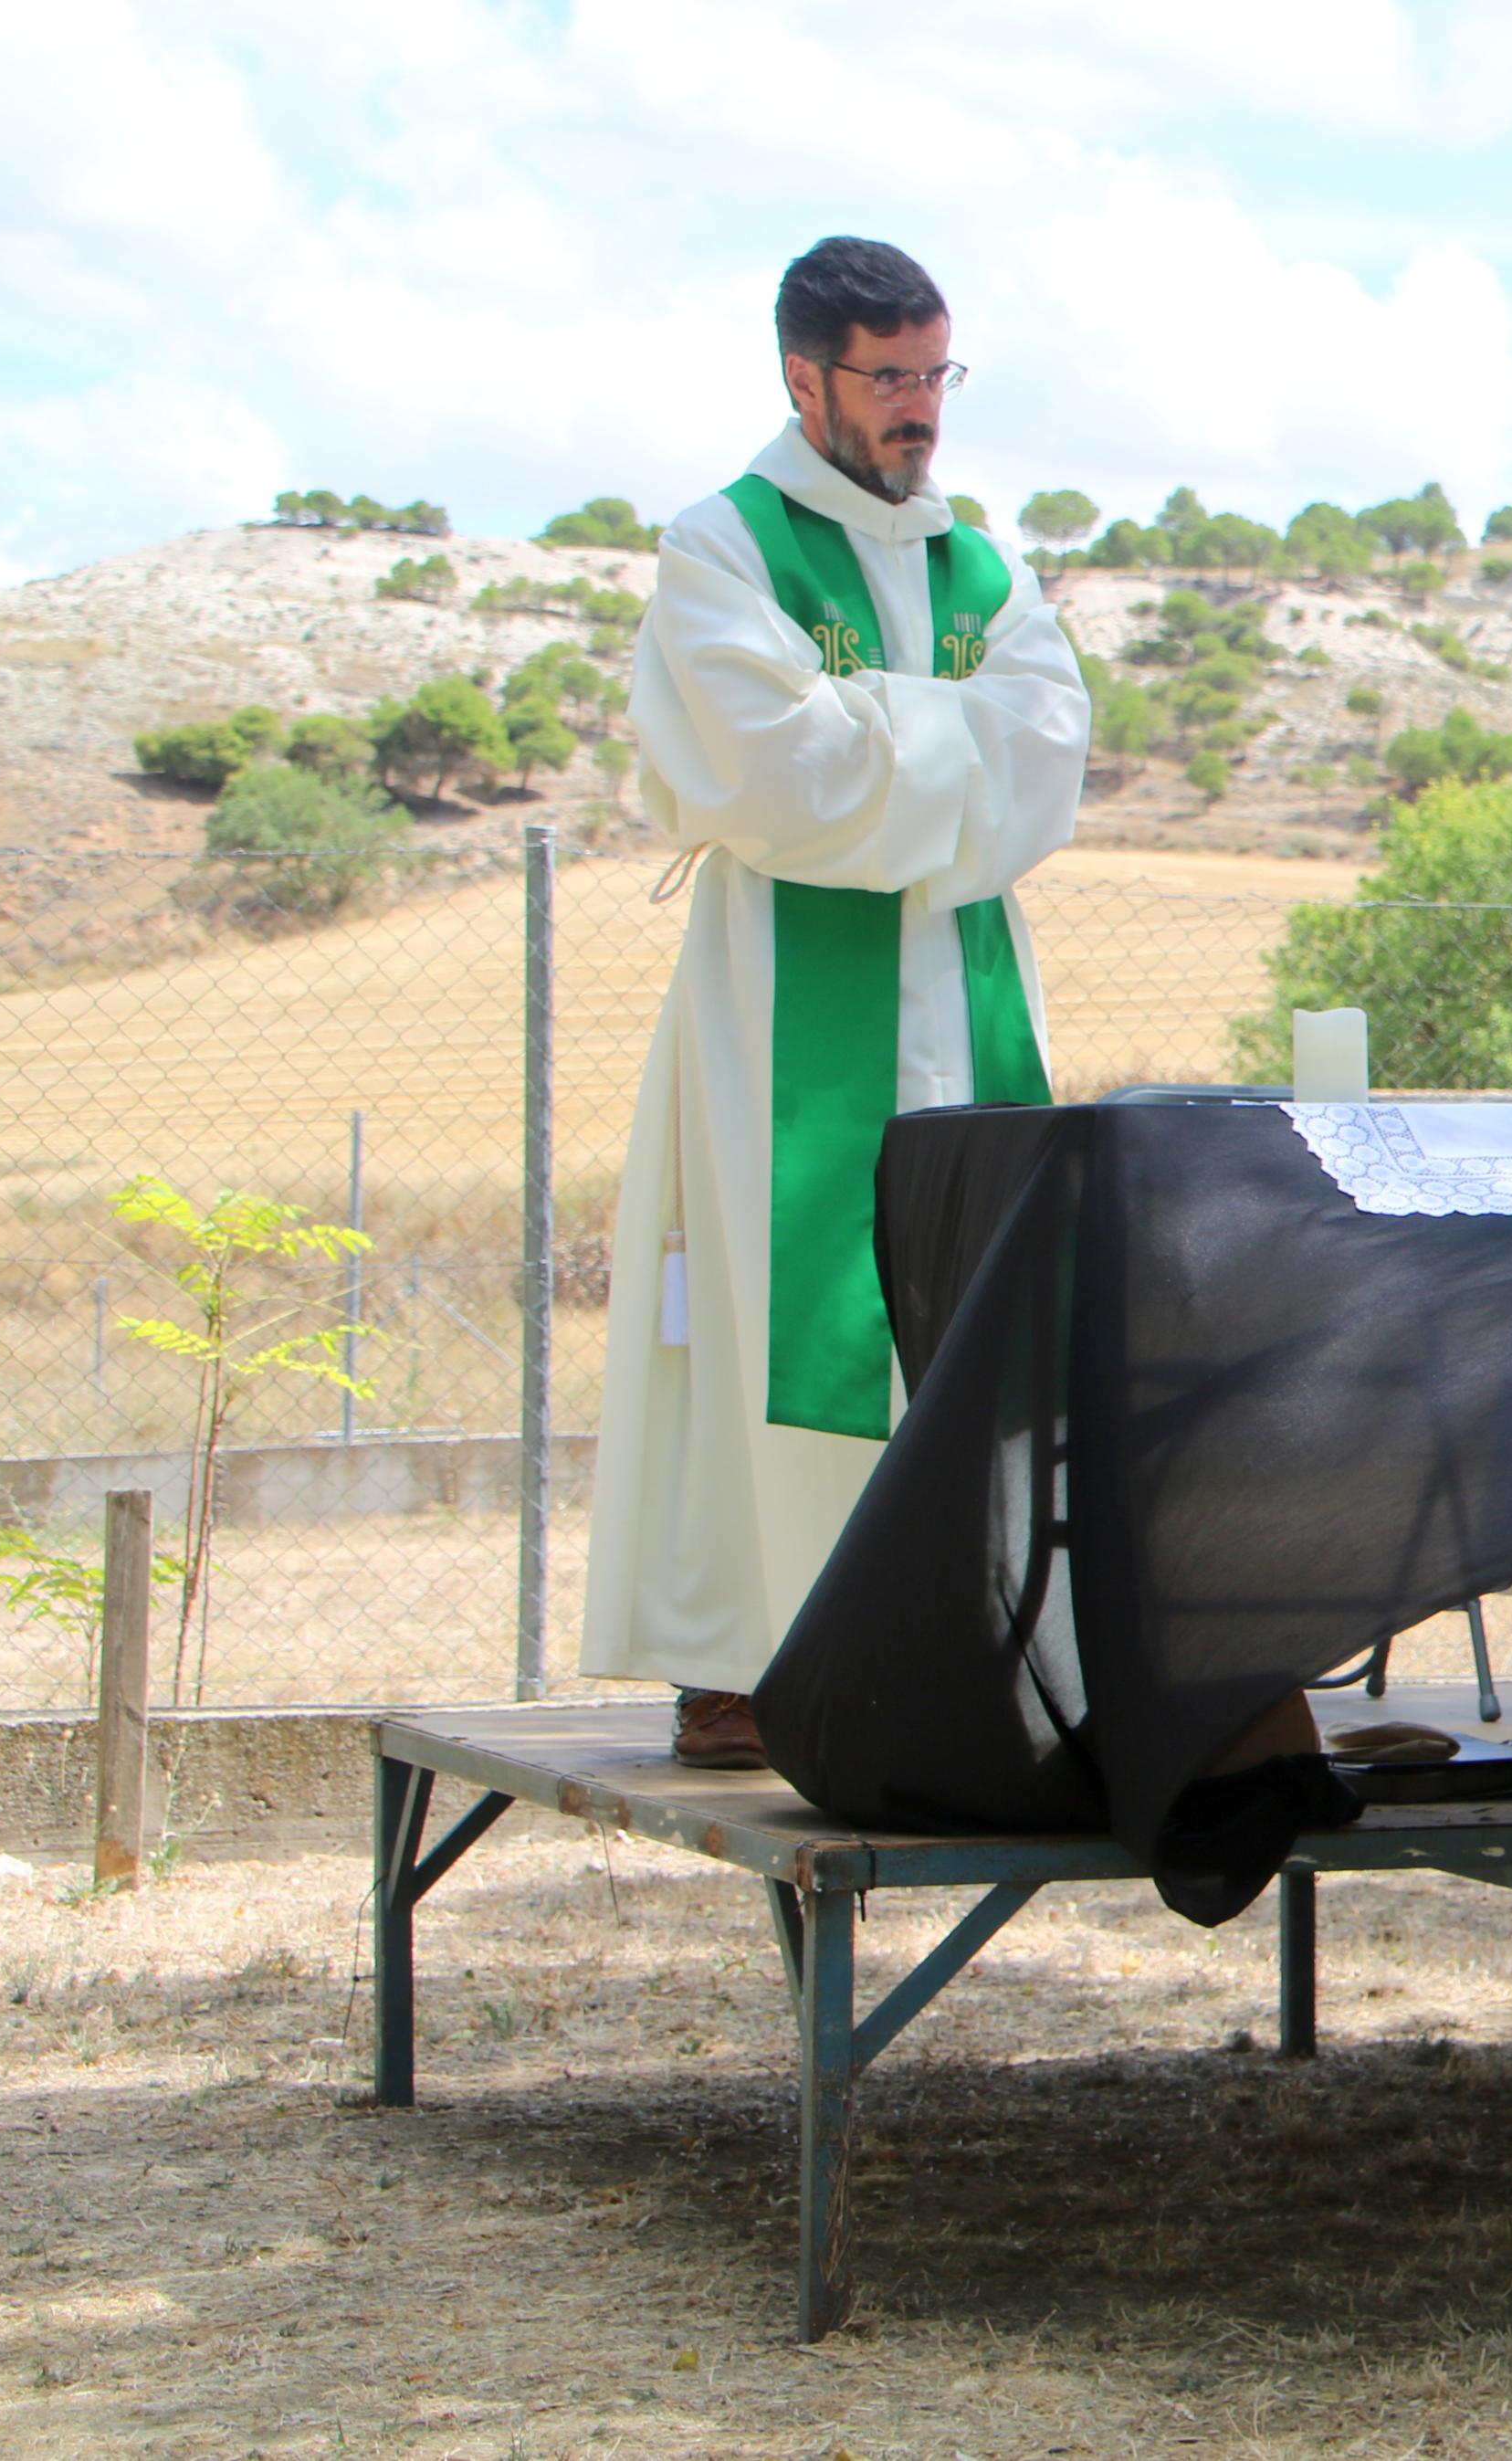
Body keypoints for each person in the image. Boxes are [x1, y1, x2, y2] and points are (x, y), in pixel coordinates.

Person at [581, 237, 1091, 1770]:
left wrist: (873, 731)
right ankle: (749, 1654)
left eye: (937, 375)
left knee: (975, 1312)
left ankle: (977, 1640)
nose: (918, 409)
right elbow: (768, 775)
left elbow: (1047, 757)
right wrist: (941, 746)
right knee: (766, 1312)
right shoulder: (720, 549)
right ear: (802, 377)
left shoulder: (981, 567)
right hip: (779, 1002)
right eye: (888, 379)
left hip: (965, 986)